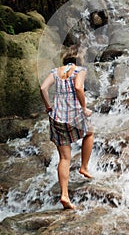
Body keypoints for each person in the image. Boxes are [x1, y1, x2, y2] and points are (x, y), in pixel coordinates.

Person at [40, 46, 94, 210]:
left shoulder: (55, 71)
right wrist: (84, 108)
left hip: (57, 117)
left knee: (64, 158)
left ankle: (64, 195)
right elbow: (78, 87)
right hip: (74, 115)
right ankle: (84, 167)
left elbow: (43, 88)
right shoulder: (80, 70)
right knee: (90, 132)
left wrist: (49, 107)